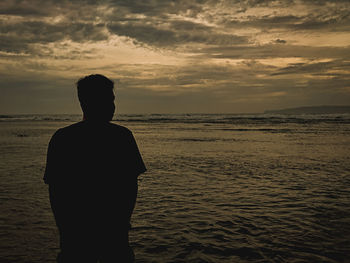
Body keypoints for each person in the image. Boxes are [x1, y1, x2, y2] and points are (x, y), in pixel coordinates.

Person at [44, 74, 146, 262]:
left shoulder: (63, 138)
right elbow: (130, 187)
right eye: (108, 100)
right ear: (86, 102)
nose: (113, 106)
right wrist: (122, 222)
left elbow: (56, 192)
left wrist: (64, 228)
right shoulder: (121, 137)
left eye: (112, 100)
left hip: (75, 233)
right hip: (113, 232)